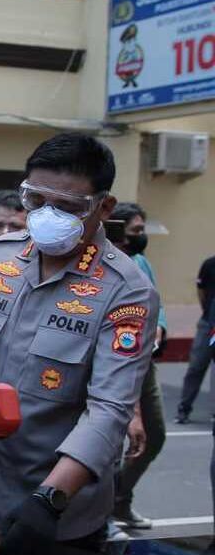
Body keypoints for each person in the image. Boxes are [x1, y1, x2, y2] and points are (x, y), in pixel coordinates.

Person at [0, 133, 157, 555]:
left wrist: (49, 500)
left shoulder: (126, 292)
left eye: (67, 208)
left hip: (55, 517)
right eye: (36, 201)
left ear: (104, 207)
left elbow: (109, 410)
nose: (46, 217)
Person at [110, 202, 167, 531]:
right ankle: (102, 511)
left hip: (145, 362)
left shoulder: (141, 263)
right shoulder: (102, 267)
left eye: (141, 230)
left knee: (154, 435)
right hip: (118, 363)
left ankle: (120, 496)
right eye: (134, 231)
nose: (139, 237)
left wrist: (158, 326)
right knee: (112, 440)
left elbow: (155, 305)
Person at [177, 251, 215, 424]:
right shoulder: (209, 264)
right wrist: (207, 311)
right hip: (208, 324)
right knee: (196, 366)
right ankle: (184, 408)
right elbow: (201, 291)